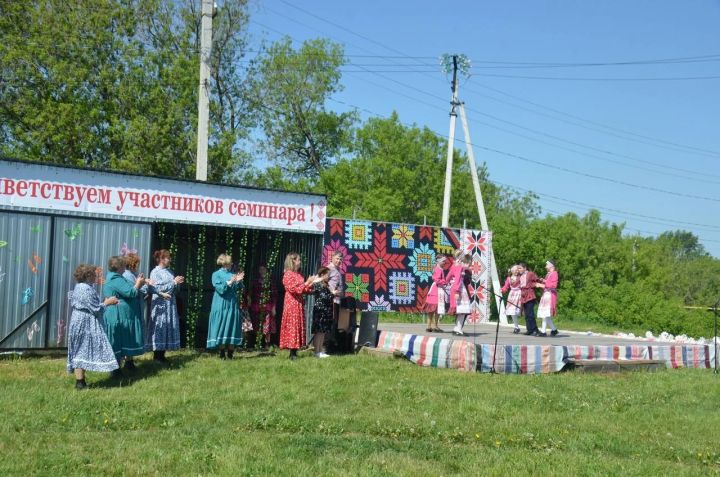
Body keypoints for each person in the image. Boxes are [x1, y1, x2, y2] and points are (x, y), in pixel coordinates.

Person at [66, 264, 119, 389]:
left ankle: (81, 382)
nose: (96, 276)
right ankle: (80, 382)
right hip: (84, 322)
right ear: (88, 275)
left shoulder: (83, 287)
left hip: (81, 320)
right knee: (81, 349)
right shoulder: (85, 288)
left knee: (81, 349)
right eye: (94, 274)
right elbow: (96, 309)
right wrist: (108, 302)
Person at [121, 253, 169, 369]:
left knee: (133, 333)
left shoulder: (134, 274)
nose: (138, 265)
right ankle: (128, 361)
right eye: (137, 263)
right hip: (132, 308)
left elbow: (145, 288)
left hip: (137, 307)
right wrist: (145, 284)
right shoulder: (127, 275)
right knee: (130, 333)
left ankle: (130, 360)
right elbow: (137, 290)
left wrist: (159, 293)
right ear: (132, 264)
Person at [103, 256, 146, 375]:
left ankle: (123, 366)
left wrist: (139, 283)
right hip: (118, 316)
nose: (124, 268)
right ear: (119, 267)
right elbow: (131, 292)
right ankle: (115, 370)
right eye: (123, 265)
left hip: (122, 315)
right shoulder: (116, 279)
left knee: (121, 341)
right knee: (116, 342)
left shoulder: (117, 277)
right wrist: (138, 283)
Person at [146, 249, 184, 361]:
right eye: (168, 258)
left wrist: (177, 284)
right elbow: (157, 289)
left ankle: (162, 355)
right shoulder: (155, 272)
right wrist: (173, 282)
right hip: (160, 305)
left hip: (170, 304)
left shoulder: (170, 272)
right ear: (161, 259)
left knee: (167, 327)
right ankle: (157, 356)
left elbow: (174, 291)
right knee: (160, 326)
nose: (170, 259)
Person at [279, 252, 317, 360]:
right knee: (292, 325)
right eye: (298, 260)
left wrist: (310, 284)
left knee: (297, 325)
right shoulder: (288, 274)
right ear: (293, 261)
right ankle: (292, 353)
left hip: (299, 303)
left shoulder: (299, 274)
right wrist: (306, 283)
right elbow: (293, 289)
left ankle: (295, 351)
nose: (300, 262)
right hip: (291, 303)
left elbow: (302, 289)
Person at [207, 254, 245, 359]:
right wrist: (231, 281)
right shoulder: (216, 274)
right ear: (225, 263)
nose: (232, 264)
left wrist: (238, 281)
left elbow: (239, 288)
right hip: (220, 303)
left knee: (232, 324)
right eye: (230, 262)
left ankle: (231, 353)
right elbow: (220, 289)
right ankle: (222, 353)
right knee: (222, 324)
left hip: (232, 303)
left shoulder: (233, 273)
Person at [248, 264, 278, 348]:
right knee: (256, 325)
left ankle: (267, 344)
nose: (262, 271)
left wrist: (274, 307)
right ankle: (257, 343)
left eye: (263, 269)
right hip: (256, 305)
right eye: (260, 269)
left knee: (267, 326)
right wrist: (249, 299)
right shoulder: (255, 281)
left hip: (267, 306)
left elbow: (274, 295)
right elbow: (250, 292)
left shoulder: (270, 282)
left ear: (267, 270)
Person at [311, 266, 337, 358]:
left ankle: (320, 350)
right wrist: (332, 294)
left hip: (326, 311)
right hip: (320, 311)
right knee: (319, 331)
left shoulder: (326, 284)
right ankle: (316, 351)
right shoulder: (318, 284)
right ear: (322, 274)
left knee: (323, 331)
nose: (328, 277)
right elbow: (323, 297)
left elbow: (327, 296)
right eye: (327, 275)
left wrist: (332, 294)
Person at [423, 255, 451, 332]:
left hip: (437, 289)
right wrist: (445, 282)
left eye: (445, 261)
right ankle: (432, 326)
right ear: (438, 261)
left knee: (434, 310)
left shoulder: (438, 268)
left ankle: (431, 326)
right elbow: (436, 279)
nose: (445, 263)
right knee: (435, 309)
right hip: (437, 289)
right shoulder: (438, 269)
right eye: (443, 261)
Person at [449, 253, 473, 336]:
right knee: (462, 311)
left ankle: (457, 328)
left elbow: (449, 276)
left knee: (461, 311)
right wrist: (456, 291)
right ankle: (458, 329)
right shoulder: (459, 268)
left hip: (460, 289)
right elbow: (457, 280)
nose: (468, 265)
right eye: (467, 264)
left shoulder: (456, 267)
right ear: (462, 262)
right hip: (460, 289)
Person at [536, 260, 559, 337]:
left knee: (545, 313)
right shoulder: (548, 274)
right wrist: (543, 281)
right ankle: (554, 330)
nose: (545, 266)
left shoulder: (554, 273)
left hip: (550, 295)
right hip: (546, 294)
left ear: (551, 266)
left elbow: (553, 285)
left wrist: (542, 285)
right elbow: (548, 284)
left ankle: (543, 331)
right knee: (546, 314)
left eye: (547, 265)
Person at [517, 262, 542, 336]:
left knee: (530, 314)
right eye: (518, 268)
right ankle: (529, 329)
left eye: (520, 268)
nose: (519, 270)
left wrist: (538, 282)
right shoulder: (520, 276)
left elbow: (536, 280)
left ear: (525, 268)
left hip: (530, 296)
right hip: (523, 296)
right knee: (526, 314)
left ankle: (536, 330)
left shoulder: (530, 274)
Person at [501, 265, 523, 334]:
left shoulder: (520, 277)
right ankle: (516, 327)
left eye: (517, 270)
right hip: (512, 295)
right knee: (512, 311)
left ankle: (523, 326)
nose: (517, 271)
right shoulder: (509, 278)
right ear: (512, 271)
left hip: (519, 294)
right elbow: (506, 286)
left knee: (518, 310)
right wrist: (502, 290)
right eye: (515, 270)